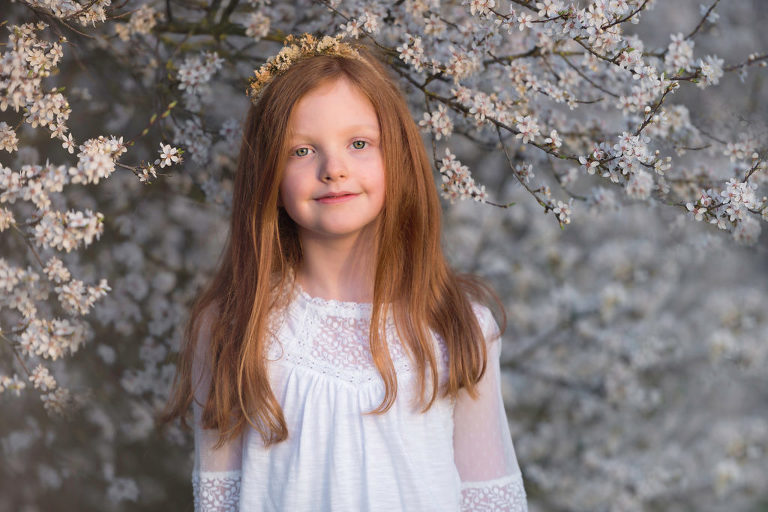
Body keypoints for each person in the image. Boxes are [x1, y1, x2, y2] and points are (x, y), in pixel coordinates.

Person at [161, 33, 528, 512]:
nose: (333, 168)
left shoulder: (458, 326)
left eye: (359, 143)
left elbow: (490, 499)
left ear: (396, 156)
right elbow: (219, 502)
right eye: (301, 150)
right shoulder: (234, 325)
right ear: (267, 175)